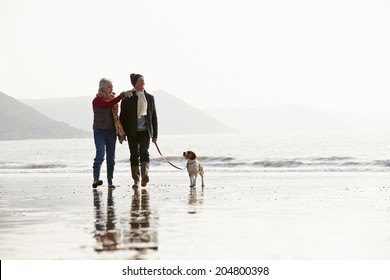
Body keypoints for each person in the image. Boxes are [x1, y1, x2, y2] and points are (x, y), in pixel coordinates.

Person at [120, 73, 158, 187]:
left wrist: (155, 134)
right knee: (134, 155)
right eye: (140, 81)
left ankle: (144, 176)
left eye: (143, 80)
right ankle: (136, 180)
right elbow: (123, 117)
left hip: (145, 131)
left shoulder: (150, 98)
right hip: (132, 131)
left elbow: (154, 117)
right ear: (134, 83)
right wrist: (121, 133)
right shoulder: (127, 97)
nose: (143, 82)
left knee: (144, 152)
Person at [92, 78, 126, 189]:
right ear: (103, 88)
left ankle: (110, 181)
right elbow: (107, 104)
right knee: (100, 155)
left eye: (112, 86)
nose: (112, 88)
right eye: (109, 87)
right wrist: (120, 97)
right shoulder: (97, 100)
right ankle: (95, 179)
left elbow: (113, 108)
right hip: (99, 131)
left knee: (111, 159)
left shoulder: (113, 99)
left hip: (112, 131)